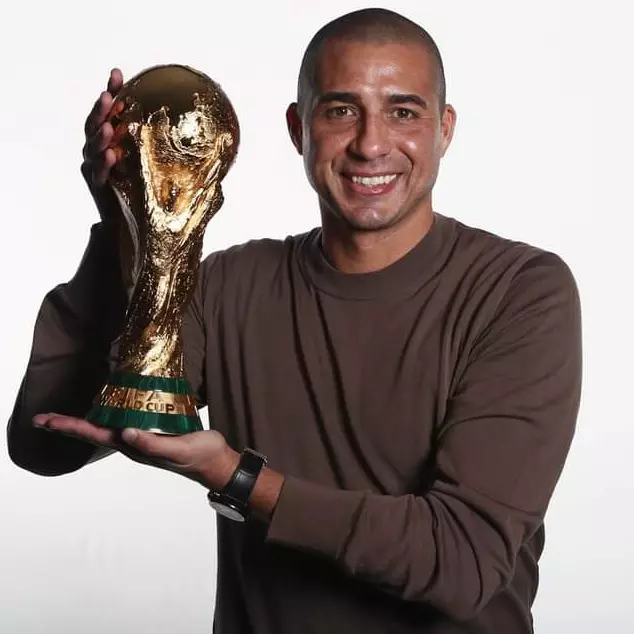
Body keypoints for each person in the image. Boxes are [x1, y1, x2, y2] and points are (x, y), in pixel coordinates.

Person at [6, 7, 582, 634]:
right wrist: (126, 223)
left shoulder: (519, 292)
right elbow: (43, 444)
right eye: (340, 110)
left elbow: (463, 560)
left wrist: (238, 478)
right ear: (296, 128)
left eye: (403, 111)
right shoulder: (225, 287)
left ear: (444, 129)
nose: (370, 143)